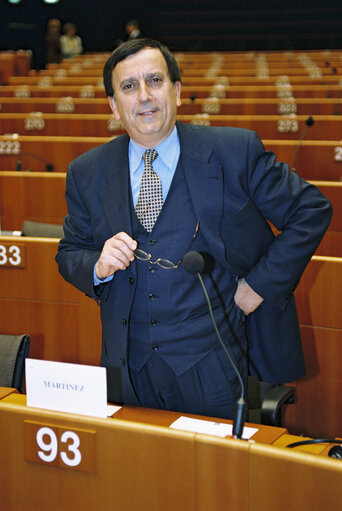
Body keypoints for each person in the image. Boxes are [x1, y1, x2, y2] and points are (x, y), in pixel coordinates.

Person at [56, 38, 332, 419]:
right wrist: (98, 267)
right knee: (136, 471)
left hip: (217, 361)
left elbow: (310, 211)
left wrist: (259, 285)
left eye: (155, 80)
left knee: (217, 476)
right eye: (129, 87)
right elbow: (69, 252)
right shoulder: (87, 171)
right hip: (128, 365)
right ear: (113, 104)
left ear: (177, 91)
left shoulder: (235, 150)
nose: (144, 97)